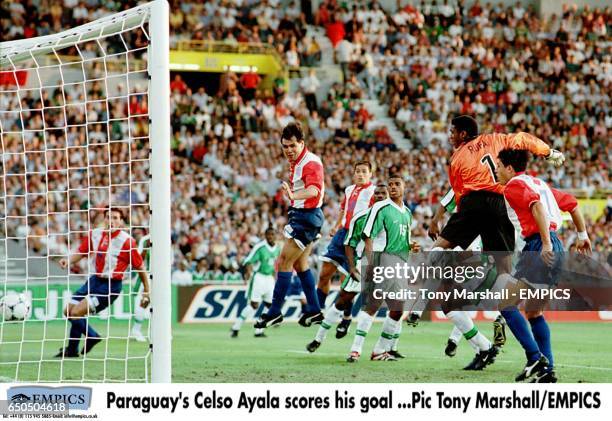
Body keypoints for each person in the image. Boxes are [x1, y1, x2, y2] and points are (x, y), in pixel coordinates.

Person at [496, 148, 591, 383]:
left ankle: (535, 357)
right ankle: (548, 371)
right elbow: (572, 204)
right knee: (533, 311)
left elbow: (536, 208)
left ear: (509, 168)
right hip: (554, 245)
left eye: (498, 166)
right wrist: (582, 234)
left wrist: (545, 245)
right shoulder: (541, 184)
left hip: (541, 245)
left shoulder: (514, 185)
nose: (496, 171)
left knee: (506, 304)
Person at [255, 122, 325, 328]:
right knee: (300, 264)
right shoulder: (298, 161)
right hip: (304, 216)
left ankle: (275, 312)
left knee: (283, 261)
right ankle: (314, 309)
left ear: (302, 143)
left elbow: (314, 190)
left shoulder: (310, 163)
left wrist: (293, 195)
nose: (289, 150)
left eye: (292, 146)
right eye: (285, 146)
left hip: (307, 217)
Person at [55, 207, 150, 357]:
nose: (111, 221)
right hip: (94, 280)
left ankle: (92, 336)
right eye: (109, 217)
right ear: (104, 219)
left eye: (115, 218)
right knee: (69, 311)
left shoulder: (127, 242)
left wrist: (146, 289)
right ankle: (72, 350)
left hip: (110, 286)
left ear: (121, 222)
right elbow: (81, 252)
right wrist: (68, 260)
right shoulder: (95, 234)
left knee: (76, 313)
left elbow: (140, 267)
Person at [307, 183, 388, 353]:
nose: (380, 196)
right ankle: (319, 337)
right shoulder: (360, 218)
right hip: (361, 266)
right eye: (377, 194)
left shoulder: (394, 215)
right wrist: (351, 266)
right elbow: (350, 244)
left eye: (383, 194)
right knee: (342, 300)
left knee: (377, 307)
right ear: (372, 198)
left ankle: (359, 350)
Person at [346, 175, 419, 362]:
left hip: (399, 263)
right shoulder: (381, 207)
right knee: (374, 304)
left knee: (397, 309)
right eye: (390, 185)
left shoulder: (407, 213)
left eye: (397, 184)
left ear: (404, 187)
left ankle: (380, 350)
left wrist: (411, 245)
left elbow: (403, 239)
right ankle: (356, 349)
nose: (393, 187)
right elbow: (367, 236)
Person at [316, 160, 376, 320]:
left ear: (371, 174)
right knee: (324, 273)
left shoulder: (373, 192)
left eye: (364, 171)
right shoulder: (349, 190)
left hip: (356, 238)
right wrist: (336, 226)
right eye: (358, 171)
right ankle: (317, 311)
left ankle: (346, 317)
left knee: (346, 279)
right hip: (342, 233)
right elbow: (343, 208)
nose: (360, 174)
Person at [231, 228, 280, 338]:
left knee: (269, 305)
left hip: (269, 279)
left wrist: (276, 277)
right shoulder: (260, 248)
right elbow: (248, 261)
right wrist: (248, 272)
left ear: (276, 236)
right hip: (259, 277)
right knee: (254, 305)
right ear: (265, 236)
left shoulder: (278, 249)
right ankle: (236, 327)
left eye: (273, 234)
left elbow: (276, 264)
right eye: (269, 235)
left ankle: (259, 330)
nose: (271, 237)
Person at [130, 232, 151, 342]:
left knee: (163, 304)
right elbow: (138, 260)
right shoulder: (145, 240)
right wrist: (146, 249)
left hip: (161, 278)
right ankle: (136, 330)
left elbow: (170, 260)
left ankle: (165, 331)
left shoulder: (166, 238)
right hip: (146, 276)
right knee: (144, 301)